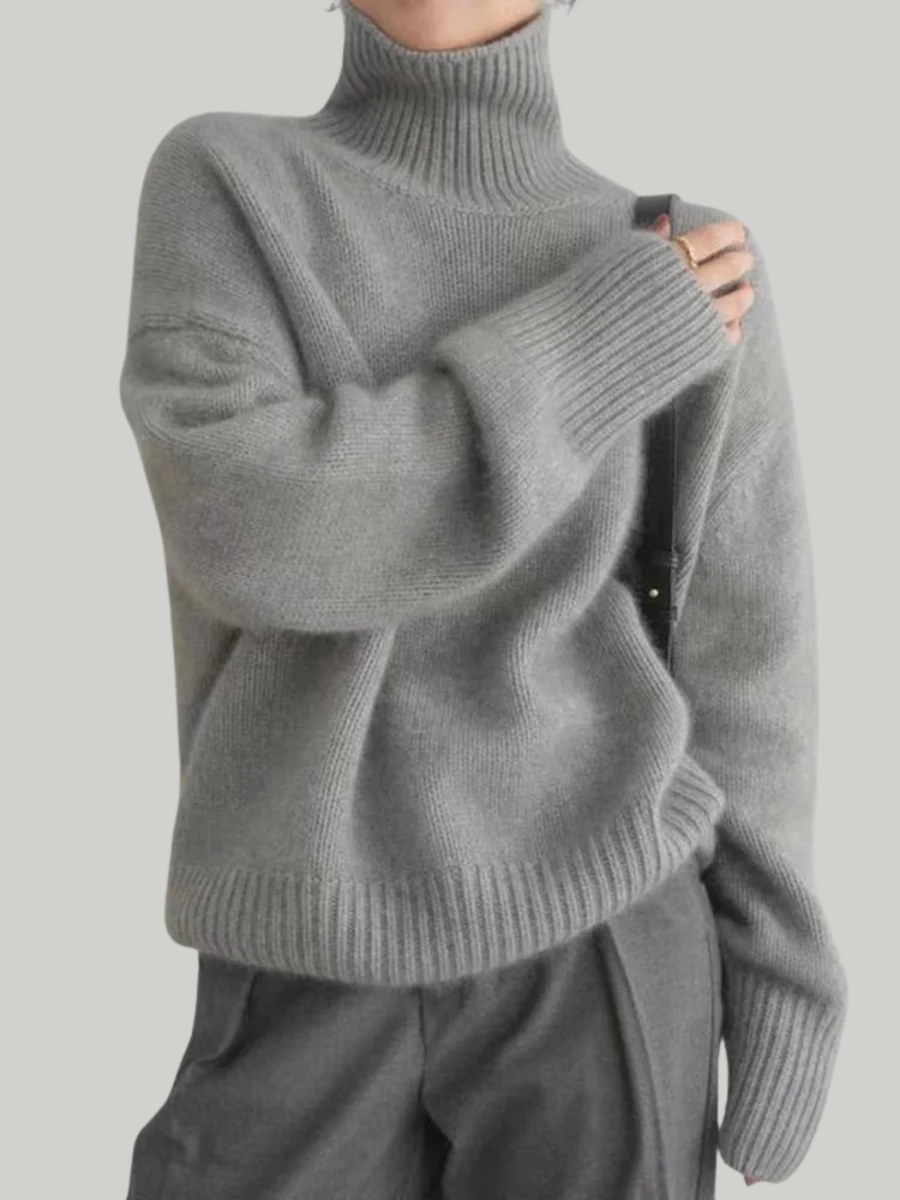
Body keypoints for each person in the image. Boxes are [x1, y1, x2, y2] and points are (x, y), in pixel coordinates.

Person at [118, 1, 848, 1196]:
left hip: (606, 930)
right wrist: (596, 344)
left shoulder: (688, 254)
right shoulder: (228, 182)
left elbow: (751, 657)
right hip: (298, 938)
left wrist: (785, 974)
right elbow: (251, 528)